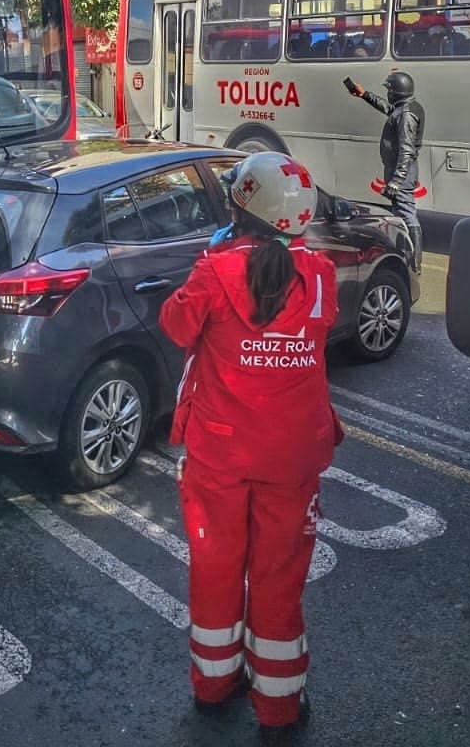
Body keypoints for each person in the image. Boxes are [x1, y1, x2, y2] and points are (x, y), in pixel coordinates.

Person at [159, 151, 340, 742]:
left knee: (216, 567)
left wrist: (213, 258)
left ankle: (214, 687)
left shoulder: (214, 270)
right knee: (279, 575)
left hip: (220, 452)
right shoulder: (320, 274)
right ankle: (280, 706)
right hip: (292, 453)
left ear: (240, 205)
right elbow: (316, 318)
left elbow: (177, 328)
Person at [344, 70, 425, 260]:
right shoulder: (406, 108)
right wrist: (365, 95)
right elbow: (389, 109)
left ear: (396, 92)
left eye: (389, 90)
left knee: (406, 213)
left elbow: (406, 149)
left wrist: (396, 181)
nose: (388, 93)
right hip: (400, 169)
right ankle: (407, 254)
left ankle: (414, 260)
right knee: (401, 211)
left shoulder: (406, 115)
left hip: (401, 170)